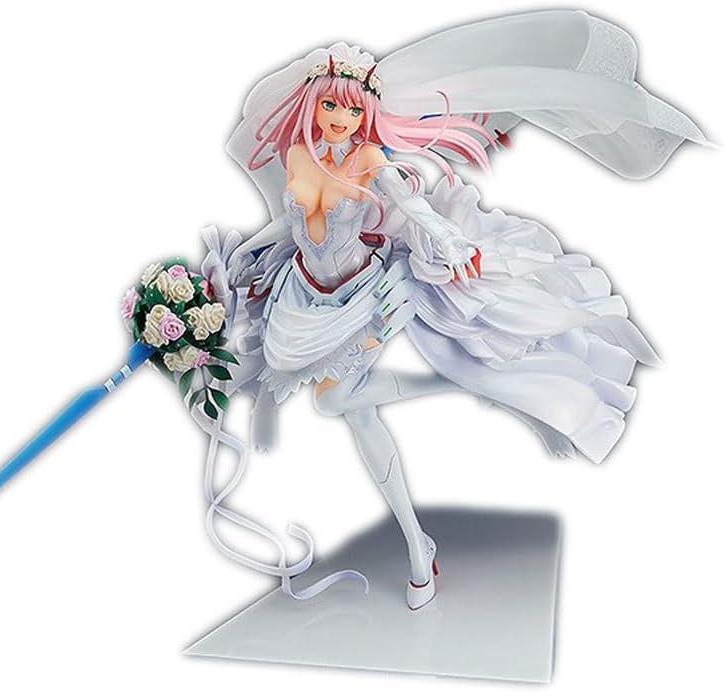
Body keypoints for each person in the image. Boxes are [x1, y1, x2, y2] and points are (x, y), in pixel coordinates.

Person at [190, 9, 708, 610]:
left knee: (334, 401)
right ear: (313, 104)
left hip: (365, 296)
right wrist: (246, 253)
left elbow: (410, 205)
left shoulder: (369, 160)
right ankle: (419, 543)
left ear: (366, 114)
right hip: (300, 296)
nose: (341, 119)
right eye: (331, 106)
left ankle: (449, 408)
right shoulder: (301, 157)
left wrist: (448, 238)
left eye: (352, 110)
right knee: (355, 415)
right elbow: (291, 222)